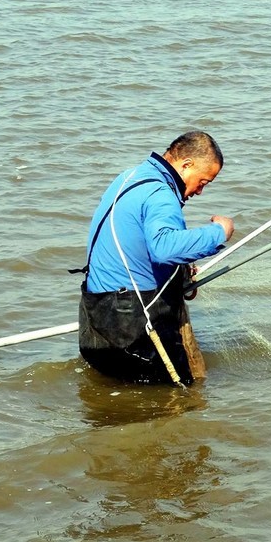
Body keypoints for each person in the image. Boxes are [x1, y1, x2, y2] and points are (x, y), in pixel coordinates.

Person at [76, 131, 234, 385]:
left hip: (97, 315)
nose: (200, 191)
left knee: (117, 401)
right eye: (203, 182)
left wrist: (182, 270)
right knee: (179, 401)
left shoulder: (130, 176)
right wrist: (220, 232)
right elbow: (164, 248)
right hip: (134, 324)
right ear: (186, 165)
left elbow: (134, 244)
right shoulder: (160, 193)